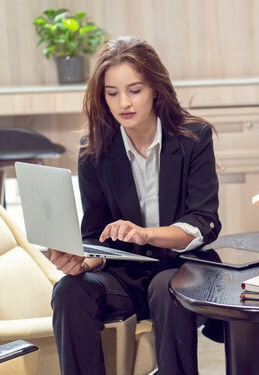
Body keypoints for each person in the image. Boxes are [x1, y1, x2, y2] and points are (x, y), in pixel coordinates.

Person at [49, 36, 222, 375]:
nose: (123, 103)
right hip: (123, 278)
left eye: (135, 90)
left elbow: (204, 222)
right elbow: (95, 235)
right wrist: (85, 261)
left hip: (181, 268)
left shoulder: (193, 138)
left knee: (165, 287)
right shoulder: (94, 150)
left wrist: (146, 234)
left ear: (155, 89)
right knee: (70, 290)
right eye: (112, 93)